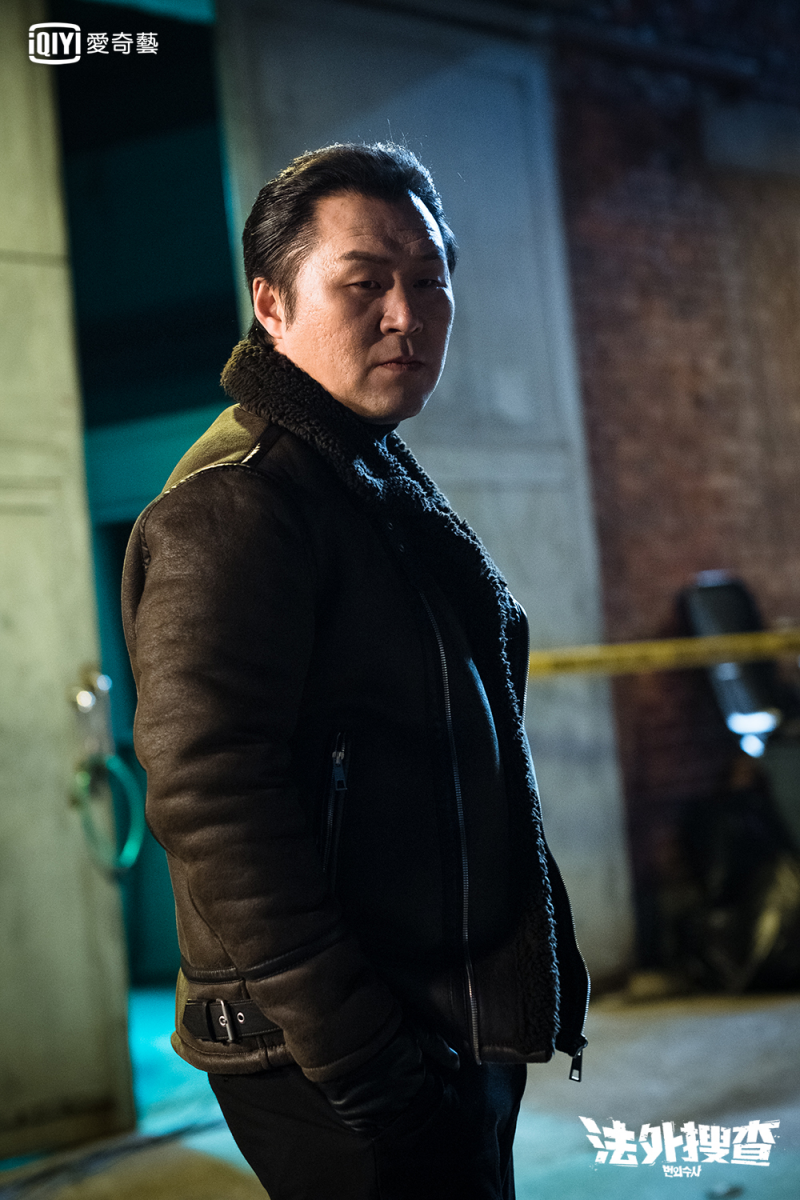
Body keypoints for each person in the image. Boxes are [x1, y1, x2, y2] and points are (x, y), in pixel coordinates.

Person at [122, 142, 588, 1199]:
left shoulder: (361, 474)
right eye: (365, 283)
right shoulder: (235, 506)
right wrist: (370, 1067)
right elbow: (213, 801)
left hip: (431, 1019)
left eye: (428, 281)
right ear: (272, 305)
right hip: (339, 1052)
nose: (405, 315)